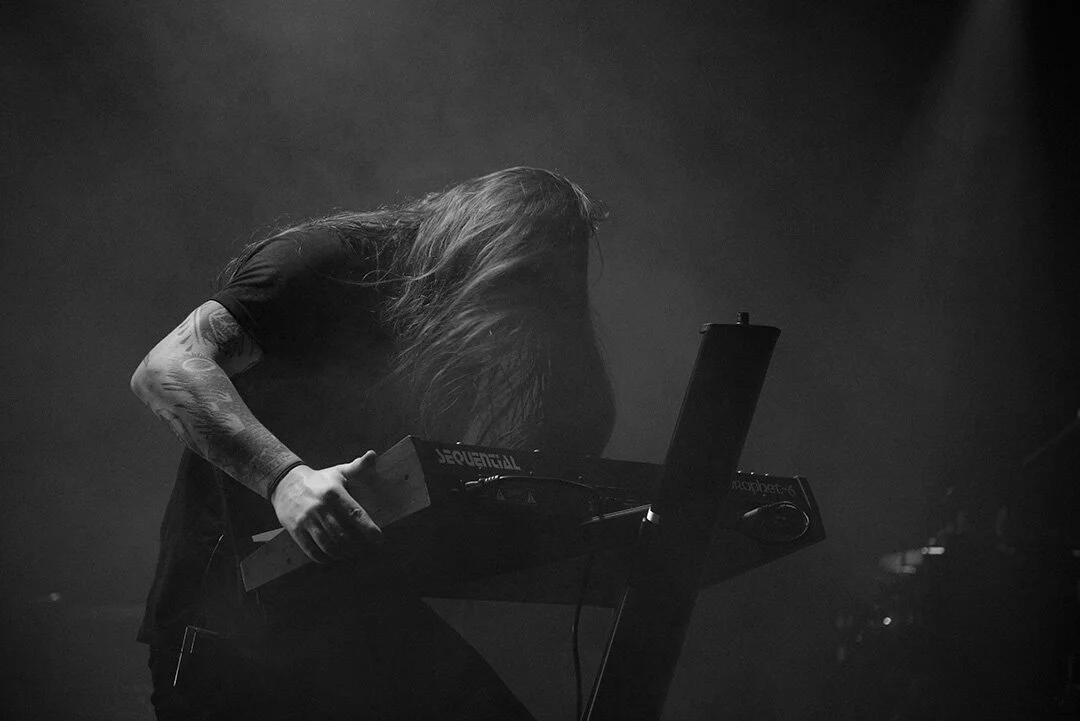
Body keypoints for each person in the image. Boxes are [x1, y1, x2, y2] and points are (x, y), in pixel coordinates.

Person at [130, 167, 617, 720]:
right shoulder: (321, 260)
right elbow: (164, 369)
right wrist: (287, 480)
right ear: (480, 253)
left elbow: (583, 412)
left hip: (352, 613)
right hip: (229, 625)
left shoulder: (446, 326)